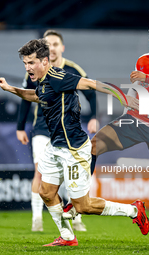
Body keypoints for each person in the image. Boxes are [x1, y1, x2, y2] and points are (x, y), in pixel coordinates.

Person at [0, 38, 149, 247]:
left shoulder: (59, 77)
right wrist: (9, 88)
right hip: (54, 146)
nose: (27, 67)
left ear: (45, 61)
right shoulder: (42, 82)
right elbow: (35, 96)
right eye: (24, 63)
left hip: (74, 149)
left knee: (82, 206)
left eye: (31, 62)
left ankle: (133, 210)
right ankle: (67, 237)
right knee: (46, 192)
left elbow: (93, 84)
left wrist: (122, 97)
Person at [68, 17, 149, 247]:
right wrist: (131, 100)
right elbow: (137, 89)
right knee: (92, 146)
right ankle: (78, 202)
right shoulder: (143, 60)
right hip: (134, 121)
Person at [16, 30, 97, 232]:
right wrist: (20, 127)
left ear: (61, 47)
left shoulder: (71, 69)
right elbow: (27, 98)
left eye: (54, 44)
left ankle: (75, 215)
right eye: (48, 44)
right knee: (39, 171)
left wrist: (94, 116)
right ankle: (37, 219)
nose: (51, 47)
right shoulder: (33, 70)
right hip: (42, 129)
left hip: (67, 132)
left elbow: (90, 92)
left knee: (72, 176)